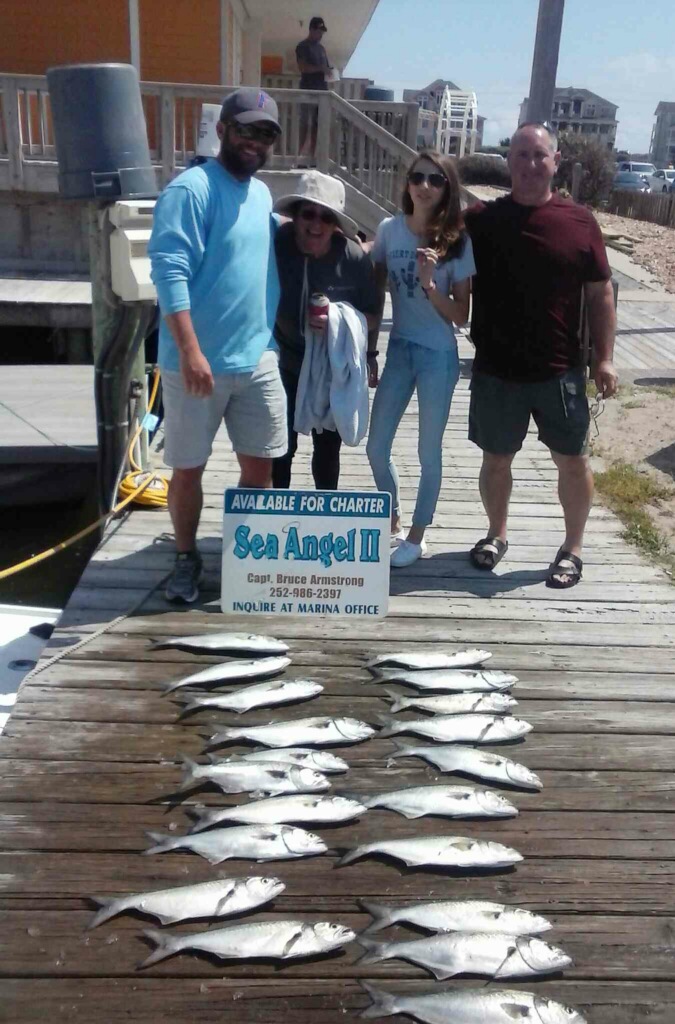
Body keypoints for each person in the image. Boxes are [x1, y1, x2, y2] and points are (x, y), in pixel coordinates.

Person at [464, 121, 618, 588]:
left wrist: (604, 359)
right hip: (496, 369)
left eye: (539, 155)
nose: (530, 164)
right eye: (521, 154)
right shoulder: (481, 221)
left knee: (572, 461)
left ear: (555, 162)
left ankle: (572, 547)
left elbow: (601, 294)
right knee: (496, 460)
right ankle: (497, 534)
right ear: (508, 161)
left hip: (560, 370)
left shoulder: (579, 222)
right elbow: (418, 233)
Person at [148, 88, 287, 604]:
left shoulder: (262, 194)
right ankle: (185, 557)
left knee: (261, 467)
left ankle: (249, 564)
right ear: (223, 130)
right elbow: (169, 271)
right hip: (196, 365)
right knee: (188, 469)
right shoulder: (190, 190)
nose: (255, 141)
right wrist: (189, 351)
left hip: (257, 357)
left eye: (266, 133)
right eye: (246, 129)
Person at [367, 152, 475, 568]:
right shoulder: (389, 231)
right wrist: (369, 350)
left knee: (428, 450)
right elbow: (374, 295)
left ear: (447, 188)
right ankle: (391, 519)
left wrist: (431, 285)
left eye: (435, 179)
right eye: (417, 177)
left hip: (438, 354)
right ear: (408, 182)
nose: (424, 185)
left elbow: (462, 315)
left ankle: (417, 534)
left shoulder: (457, 241)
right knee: (377, 447)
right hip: (399, 349)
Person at [272, 171, 380, 489]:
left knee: (327, 449)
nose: (316, 224)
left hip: (332, 365)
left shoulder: (355, 258)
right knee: (281, 447)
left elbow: (374, 314)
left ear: (336, 224)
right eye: (308, 214)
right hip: (284, 360)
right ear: (295, 216)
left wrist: (339, 319)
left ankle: (325, 519)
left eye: (326, 216)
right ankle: (279, 517)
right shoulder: (277, 244)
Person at [296, 16, 331, 162]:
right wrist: (320, 69)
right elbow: (303, 68)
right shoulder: (302, 46)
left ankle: (311, 158)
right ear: (311, 29)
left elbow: (325, 68)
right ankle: (299, 158)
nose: (321, 34)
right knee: (305, 124)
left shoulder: (322, 49)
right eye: (318, 31)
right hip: (307, 91)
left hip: (321, 92)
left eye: (322, 31)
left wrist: (330, 72)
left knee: (317, 126)